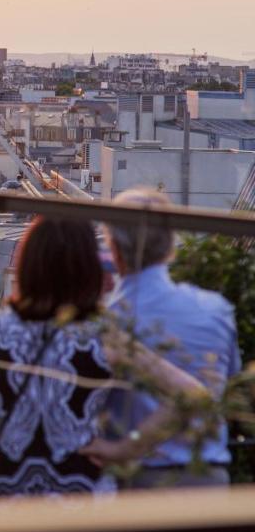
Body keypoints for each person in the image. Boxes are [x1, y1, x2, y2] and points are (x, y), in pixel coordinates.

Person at [0, 215, 205, 498]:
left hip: (12, 493)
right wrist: (126, 447)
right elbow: (192, 394)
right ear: (87, 267)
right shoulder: (103, 335)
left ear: (28, 265)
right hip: (83, 494)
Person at [92, 187, 242, 490]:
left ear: (114, 249)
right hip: (210, 480)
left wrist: (127, 445)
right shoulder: (216, 310)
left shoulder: (105, 322)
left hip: (138, 482)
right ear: (170, 247)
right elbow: (228, 391)